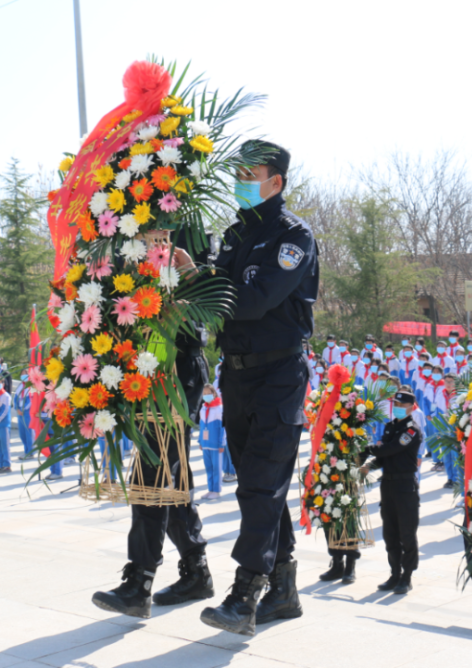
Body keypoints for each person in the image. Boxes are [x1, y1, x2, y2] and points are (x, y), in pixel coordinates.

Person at [197, 140, 317, 636]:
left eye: (252, 172)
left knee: (261, 485)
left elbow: (252, 300)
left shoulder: (292, 237)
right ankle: (283, 590)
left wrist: (206, 286)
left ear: (275, 182)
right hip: (238, 374)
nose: (241, 179)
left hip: (278, 375)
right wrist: (191, 273)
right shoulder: (235, 234)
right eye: (238, 171)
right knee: (257, 487)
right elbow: (215, 289)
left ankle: (245, 594)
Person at [92, 306, 215, 619]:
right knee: (170, 480)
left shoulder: (186, 257)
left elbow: (201, 296)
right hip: (149, 369)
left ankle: (140, 582)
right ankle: (195, 570)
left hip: (175, 371)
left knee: (151, 476)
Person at [360, 390, 422, 595]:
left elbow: (391, 449)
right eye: (395, 403)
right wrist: (371, 465)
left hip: (405, 486)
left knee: (407, 533)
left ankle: (407, 576)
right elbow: (384, 456)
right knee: (390, 533)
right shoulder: (390, 427)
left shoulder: (411, 430)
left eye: (401, 405)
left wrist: (369, 449)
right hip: (388, 485)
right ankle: (394, 573)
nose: (397, 407)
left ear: (411, 407)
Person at [199, 385, 224, 500]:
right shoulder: (203, 409)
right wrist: (200, 441)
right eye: (204, 394)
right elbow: (201, 426)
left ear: (214, 393)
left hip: (216, 445)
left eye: (208, 393)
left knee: (216, 468)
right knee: (208, 467)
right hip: (205, 444)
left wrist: (221, 443)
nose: (206, 395)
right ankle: (210, 489)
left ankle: (217, 490)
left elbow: (223, 427)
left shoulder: (219, 409)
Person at [13, 371, 35, 460]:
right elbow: (15, 399)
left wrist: (23, 408)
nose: (23, 375)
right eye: (22, 374)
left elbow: (31, 400)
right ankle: (26, 450)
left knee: (29, 432)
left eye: (25, 373)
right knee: (22, 433)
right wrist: (17, 408)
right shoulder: (20, 386)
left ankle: (30, 451)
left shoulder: (31, 386)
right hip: (20, 413)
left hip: (27, 412)